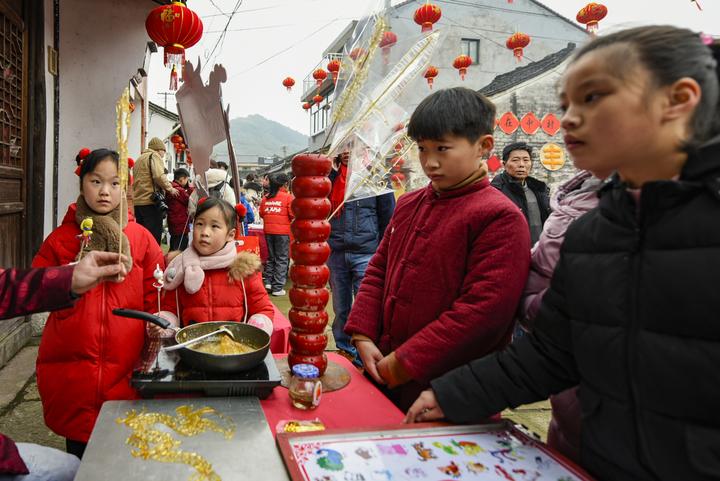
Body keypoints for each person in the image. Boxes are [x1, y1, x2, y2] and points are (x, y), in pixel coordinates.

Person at [405, 26, 720, 481]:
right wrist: (454, 395)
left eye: (592, 98)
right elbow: (553, 352)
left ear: (678, 99)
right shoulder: (594, 233)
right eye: (566, 103)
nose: (569, 118)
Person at [344, 87, 531, 411]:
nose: (430, 162)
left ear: (483, 146)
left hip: (450, 391)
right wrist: (362, 335)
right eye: (422, 149)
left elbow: (483, 312)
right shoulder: (409, 203)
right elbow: (379, 269)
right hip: (384, 371)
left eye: (443, 149)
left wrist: (405, 361)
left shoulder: (500, 216)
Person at [32, 148, 165, 459]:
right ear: (81, 184)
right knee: (78, 455)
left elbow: (156, 296)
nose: (105, 191)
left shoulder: (142, 239)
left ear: (126, 187)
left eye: (115, 183)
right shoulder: (61, 239)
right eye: (96, 181)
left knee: (122, 454)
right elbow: (36, 290)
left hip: (126, 365)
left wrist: (158, 324)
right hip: (72, 367)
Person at [0, 252, 128, 481]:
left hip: (118, 376)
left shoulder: (142, 240)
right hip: (72, 380)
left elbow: (8, 287)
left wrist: (68, 278)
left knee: (70, 468)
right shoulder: (59, 241)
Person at [157, 197, 274, 335]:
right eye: (199, 224)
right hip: (190, 349)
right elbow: (170, 309)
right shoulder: (180, 268)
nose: (205, 232)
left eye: (214, 226)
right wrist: (163, 324)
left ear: (230, 235)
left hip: (233, 348)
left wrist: (258, 326)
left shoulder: (243, 270)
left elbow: (263, 309)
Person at [328, 151, 395, 365]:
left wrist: (384, 251)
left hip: (366, 252)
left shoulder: (376, 177)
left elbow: (388, 216)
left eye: (354, 147)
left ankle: (363, 350)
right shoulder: (330, 178)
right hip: (336, 252)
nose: (349, 153)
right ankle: (344, 348)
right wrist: (331, 170)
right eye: (345, 148)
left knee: (365, 305)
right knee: (340, 307)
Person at [491, 142, 550, 245]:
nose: (521, 165)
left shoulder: (539, 190)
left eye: (526, 160)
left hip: (540, 251)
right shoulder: (495, 192)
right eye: (515, 160)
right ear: (504, 164)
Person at [132, 137, 178, 244]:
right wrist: (170, 189)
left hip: (138, 202)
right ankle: (153, 260)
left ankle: (142, 259)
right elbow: (158, 176)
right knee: (153, 236)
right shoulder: (154, 156)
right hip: (151, 201)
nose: (164, 154)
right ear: (158, 149)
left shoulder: (139, 159)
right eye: (163, 151)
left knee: (142, 236)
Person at [259, 173, 294, 296]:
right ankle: (278, 287)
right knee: (282, 259)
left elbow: (261, 214)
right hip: (283, 233)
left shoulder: (266, 197)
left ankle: (268, 282)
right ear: (285, 184)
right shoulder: (288, 198)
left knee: (271, 257)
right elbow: (293, 214)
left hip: (268, 231)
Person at [167, 168, 194, 251]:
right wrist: (191, 187)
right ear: (182, 179)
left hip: (173, 222)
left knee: (173, 245)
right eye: (187, 179)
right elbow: (189, 200)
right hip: (180, 223)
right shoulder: (179, 190)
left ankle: (169, 261)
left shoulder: (170, 188)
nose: (187, 182)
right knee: (180, 247)